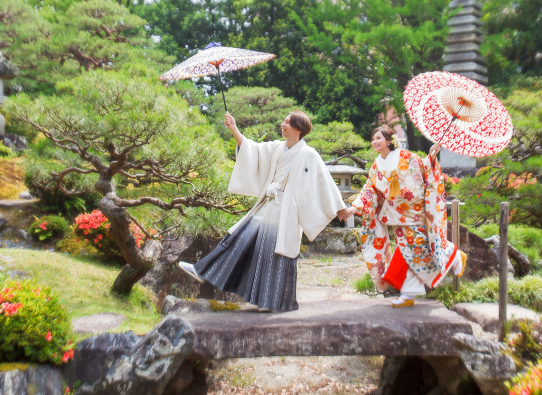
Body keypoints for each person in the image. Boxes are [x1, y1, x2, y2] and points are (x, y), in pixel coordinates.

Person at [179, 110, 349, 311]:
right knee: (238, 239)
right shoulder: (277, 147)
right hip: (267, 205)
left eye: (287, 122)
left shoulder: (309, 154)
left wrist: (340, 208)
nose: (283, 124)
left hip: (286, 212)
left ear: (298, 129)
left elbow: (323, 182)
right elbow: (251, 149)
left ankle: (274, 303)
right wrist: (233, 128)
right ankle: (203, 270)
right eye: (284, 120)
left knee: (274, 256)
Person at [344, 127, 466, 307]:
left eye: (378, 138)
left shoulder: (407, 157)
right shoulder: (377, 165)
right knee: (408, 253)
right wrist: (355, 207)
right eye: (373, 139)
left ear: (389, 140)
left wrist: (432, 156)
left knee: (418, 248)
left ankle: (452, 255)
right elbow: (370, 189)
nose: (374, 142)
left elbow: (425, 168)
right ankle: (409, 293)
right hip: (396, 215)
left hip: (415, 211)